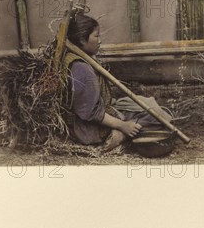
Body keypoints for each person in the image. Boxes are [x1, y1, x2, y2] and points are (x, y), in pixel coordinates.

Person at [62, 13, 165, 151]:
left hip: (101, 111)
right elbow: (91, 113)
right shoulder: (81, 69)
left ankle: (128, 127)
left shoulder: (81, 58)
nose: (99, 41)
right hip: (89, 129)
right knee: (157, 116)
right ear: (81, 40)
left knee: (149, 103)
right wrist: (123, 126)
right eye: (96, 36)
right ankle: (119, 135)